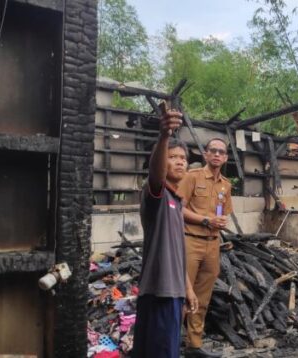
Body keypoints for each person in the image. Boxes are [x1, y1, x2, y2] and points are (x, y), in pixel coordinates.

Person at [132, 107, 198, 358]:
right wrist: (163, 137)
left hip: (173, 293)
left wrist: (188, 290)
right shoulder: (156, 196)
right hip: (159, 292)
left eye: (183, 157)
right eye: (173, 157)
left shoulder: (177, 202)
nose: (180, 161)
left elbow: (177, 254)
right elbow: (155, 176)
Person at [177, 138, 233, 358]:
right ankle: (170, 344)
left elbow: (224, 212)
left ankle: (194, 344)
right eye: (213, 151)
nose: (217, 155)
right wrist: (205, 221)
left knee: (202, 297)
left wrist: (219, 221)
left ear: (226, 157)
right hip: (191, 240)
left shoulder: (226, 185)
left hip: (213, 245)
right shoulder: (192, 177)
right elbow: (177, 209)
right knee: (182, 295)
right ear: (206, 154)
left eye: (221, 152)